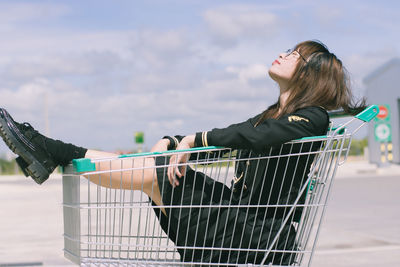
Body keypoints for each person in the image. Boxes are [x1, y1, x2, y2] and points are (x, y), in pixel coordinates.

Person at [0, 40, 364, 265]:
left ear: (309, 75)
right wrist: (175, 142)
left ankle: (49, 149)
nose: (283, 54)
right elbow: (227, 141)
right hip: (241, 225)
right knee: (161, 170)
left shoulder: (312, 118)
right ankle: (51, 150)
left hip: (261, 238)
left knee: (158, 175)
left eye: (295, 54)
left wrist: (192, 139)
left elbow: (254, 138)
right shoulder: (270, 116)